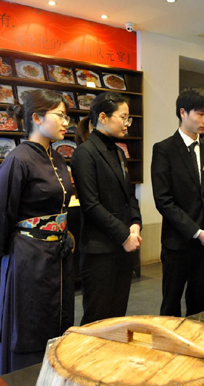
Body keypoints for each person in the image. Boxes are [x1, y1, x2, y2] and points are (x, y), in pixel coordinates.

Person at [0, 89, 74, 374]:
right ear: (36, 118)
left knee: (58, 322)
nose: (66, 122)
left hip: (57, 256)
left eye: (67, 116)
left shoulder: (57, 158)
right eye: (60, 115)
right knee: (30, 325)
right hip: (28, 258)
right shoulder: (18, 159)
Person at [151, 87, 204, 317]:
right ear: (183, 112)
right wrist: (197, 232)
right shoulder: (164, 149)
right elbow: (164, 201)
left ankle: (196, 338)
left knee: (197, 302)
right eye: (200, 114)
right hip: (178, 242)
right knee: (171, 304)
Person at [71, 92, 142, 325]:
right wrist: (124, 235)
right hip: (99, 251)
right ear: (103, 117)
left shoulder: (119, 152)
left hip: (123, 248)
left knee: (117, 316)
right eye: (123, 117)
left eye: (128, 118)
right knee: (97, 318)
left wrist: (135, 223)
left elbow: (129, 196)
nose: (127, 123)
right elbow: (91, 205)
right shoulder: (85, 153)